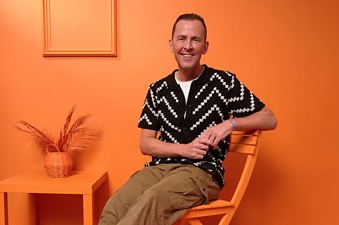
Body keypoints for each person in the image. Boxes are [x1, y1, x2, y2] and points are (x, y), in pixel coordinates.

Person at [99, 13, 277, 225]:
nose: (188, 46)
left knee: (152, 200)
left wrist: (230, 123)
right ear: (171, 44)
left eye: (195, 40)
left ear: (205, 46)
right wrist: (184, 149)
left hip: (201, 172)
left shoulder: (223, 82)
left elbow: (269, 118)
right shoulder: (158, 90)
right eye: (182, 39)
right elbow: (145, 143)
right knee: (115, 205)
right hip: (158, 170)